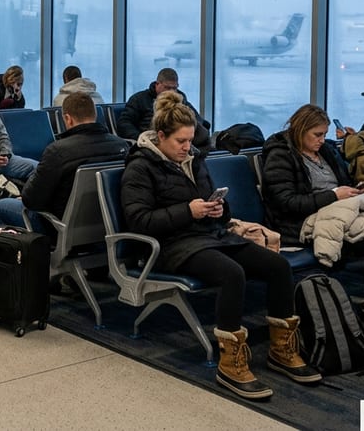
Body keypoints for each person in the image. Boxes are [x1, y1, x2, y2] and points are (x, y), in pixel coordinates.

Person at [121, 92, 320, 399]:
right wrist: (188, 210)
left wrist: (218, 209)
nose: (188, 147)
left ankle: (282, 349)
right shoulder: (140, 167)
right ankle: (230, 362)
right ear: (160, 137)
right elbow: (139, 221)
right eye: (181, 142)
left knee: (277, 266)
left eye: (190, 140)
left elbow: (214, 203)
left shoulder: (194, 160)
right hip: (172, 245)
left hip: (210, 235)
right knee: (232, 274)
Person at [262, 104, 364, 267]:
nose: (322, 140)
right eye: (317, 135)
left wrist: (353, 189)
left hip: (339, 209)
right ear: (300, 131)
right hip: (302, 220)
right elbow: (287, 203)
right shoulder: (281, 156)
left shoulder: (325, 151)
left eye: (325, 134)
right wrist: (333, 195)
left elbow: (342, 182)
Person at [0, 92, 129, 232]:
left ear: (68, 119)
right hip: (107, 225)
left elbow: (32, 201)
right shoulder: (121, 146)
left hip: (61, 227)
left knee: (1, 206)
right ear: (94, 115)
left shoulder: (58, 151)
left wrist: (25, 196)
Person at [116, 67, 211, 150]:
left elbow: (197, 119)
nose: (172, 91)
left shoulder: (180, 99)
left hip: (179, 142)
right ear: (157, 84)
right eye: (167, 87)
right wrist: (141, 138)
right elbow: (124, 124)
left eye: (175, 88)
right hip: (151, 142)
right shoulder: (139, 99)